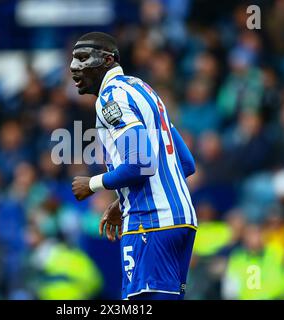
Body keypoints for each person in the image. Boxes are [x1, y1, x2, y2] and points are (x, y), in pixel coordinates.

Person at [70, 32, 197, 300]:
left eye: (82, 58)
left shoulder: (110, 98)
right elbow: (185, 162)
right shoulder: (144, 91)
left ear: (106, 60)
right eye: (73, 59)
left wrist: (92, 184)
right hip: (182, 221)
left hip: (149, 224)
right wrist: (121, 201)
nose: (73, 67)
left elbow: (140, 163)